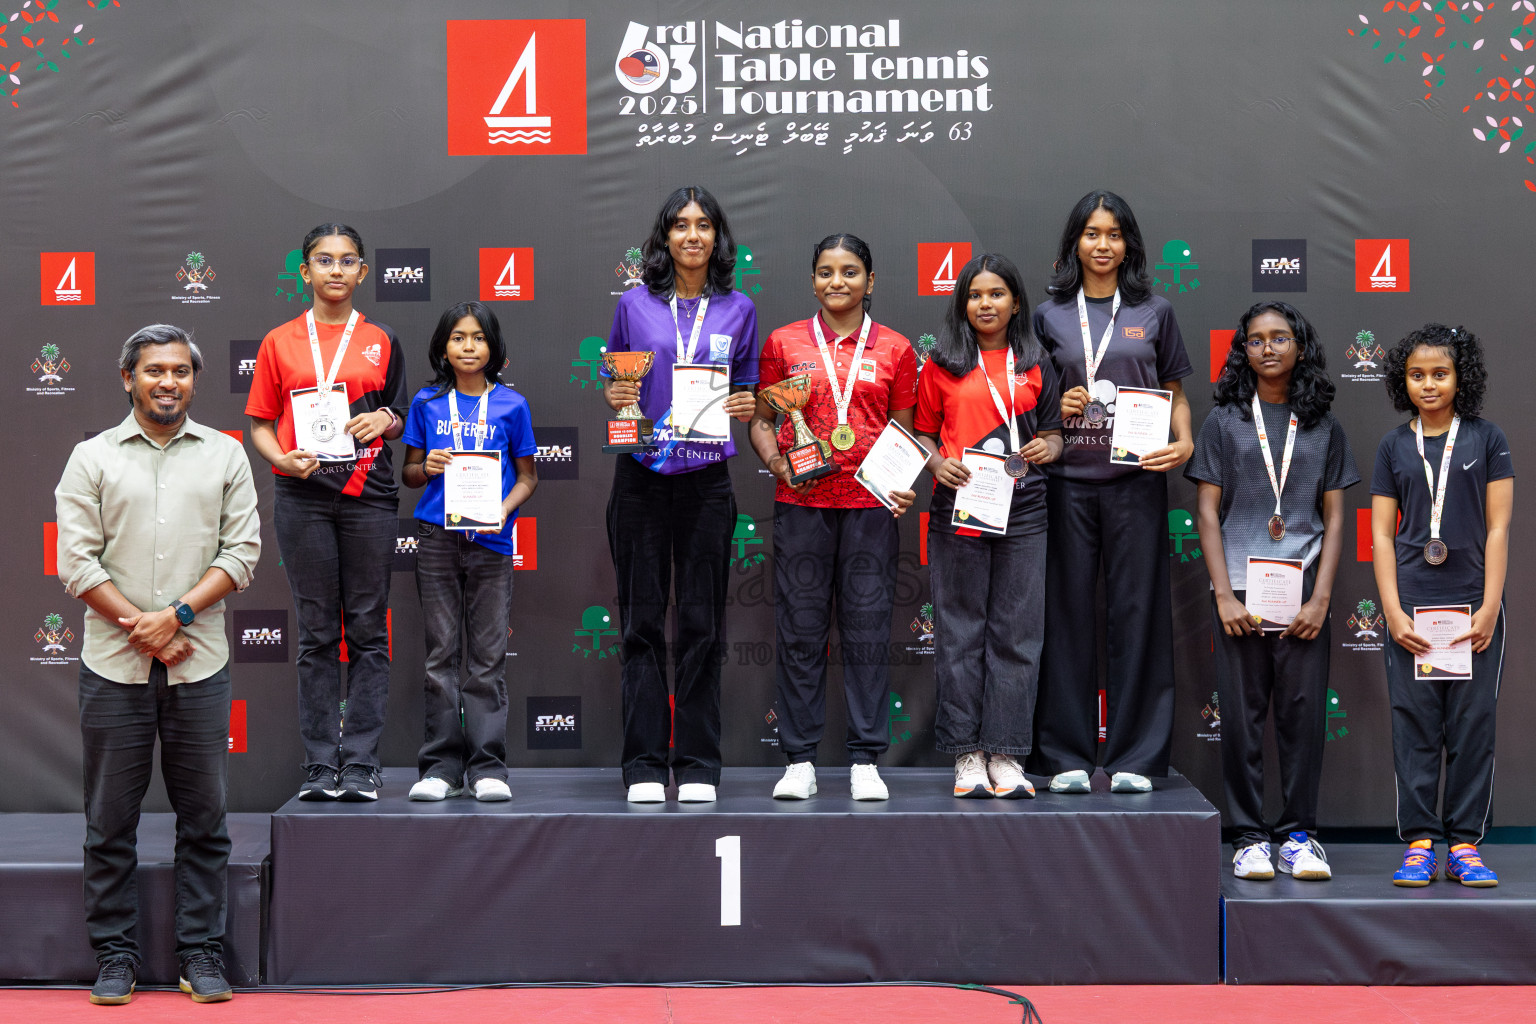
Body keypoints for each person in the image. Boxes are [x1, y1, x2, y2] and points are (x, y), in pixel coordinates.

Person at [55, 325, 260, 1004]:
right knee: (108, 821)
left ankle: (201, 954)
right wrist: (141, 630)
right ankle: (116, 956)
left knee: (205, 819)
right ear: (127, 378)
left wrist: (176, 618)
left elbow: (242, 554)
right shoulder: (91, 458)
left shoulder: (227, 456)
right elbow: (77, 563)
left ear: (193, 380)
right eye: (153, 371)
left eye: (179, 370)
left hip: (199, 666)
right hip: (113, 669)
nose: (167, 381)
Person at [1027, 189, 1194, 795]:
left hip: (1137, 483)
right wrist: (1057, 403)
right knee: (1065, 616)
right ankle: (1065, 754)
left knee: (1139, 616)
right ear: (1075, 241)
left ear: (1130, 244)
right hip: (1067, 484)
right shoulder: (1048, 316)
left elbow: (1173, 386)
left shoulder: (1156, 311)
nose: (1103, 244)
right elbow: (1029, 401)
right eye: (1092, 233)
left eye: (1114, 233)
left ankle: (1137, 757)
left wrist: (1185, 441)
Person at [1186, 302, 1358, 881]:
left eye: (1280, 338)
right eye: (1256, 340)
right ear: (1244, 351)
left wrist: (1321, 599)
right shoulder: (1224, 420)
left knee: (1302, 717)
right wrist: (1222, 595)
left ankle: (1299, 836)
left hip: (1303, 590)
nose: (1268, 348)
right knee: (1241, 716)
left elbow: (1335, 518)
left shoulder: (1323, 425)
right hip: (1238, 588)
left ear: (1300, 347)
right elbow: (1206, 512)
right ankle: (1250, 836)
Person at [603, 186, 760, 803]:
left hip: (706, 481)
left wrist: (749, 405)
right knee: (641, 622)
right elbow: (618, 382)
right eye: (679, 225)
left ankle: (697, 763)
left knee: (702, 622)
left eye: (703, 225)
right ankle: (643, 763)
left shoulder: (740, 307)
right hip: (643, 474)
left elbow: (747, 392)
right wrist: (615, 397)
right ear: (664, 237)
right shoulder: (633, 305)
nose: (692, 236)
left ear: (718, 237)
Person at [749, 234, 918, 802]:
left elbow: (905, 431)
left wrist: (900, 484)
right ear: (812, 280)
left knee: (869, 634)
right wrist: (775, 461)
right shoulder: (783, 343)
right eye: (825, 272)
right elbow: (762, 419)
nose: (837, 282)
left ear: (871, 282)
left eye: (850, 272)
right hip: (801, 506)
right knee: (800, 631)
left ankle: (866, 758)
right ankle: (799, 758)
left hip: (870, 508)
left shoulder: (895, 348)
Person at [246, 224, 407, 801]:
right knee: (317, 635)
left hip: (369, 496)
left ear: (363, 272)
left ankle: (361, 761)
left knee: (367, 631)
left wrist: (385, 421)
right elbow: (261, 424)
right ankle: (320, 763)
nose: (334, 271)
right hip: (303, 496)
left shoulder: (383, 338)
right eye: (323, 260)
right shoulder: (278, 341)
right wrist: (282, 462)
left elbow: (399, 415)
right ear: (305, 271)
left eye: (346, 261)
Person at [914, 254, 1063, 798]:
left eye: (997, 293)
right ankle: (966, 755)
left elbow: (1053, 434)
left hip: (1024, 508)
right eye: (975, 294)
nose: (985, 303)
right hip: (959, 505)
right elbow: (924, 432)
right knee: (959, 633)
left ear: (1016, 302)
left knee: (1017, 635)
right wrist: (934, 463)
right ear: (963, 303)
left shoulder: (1035, 361)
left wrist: (1048, 445)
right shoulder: (942, 364)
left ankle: (1005, 753)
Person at [1371, 324, 1511, 888]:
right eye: (1416, 375)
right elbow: (1382, 535)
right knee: (1415, 727)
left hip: (1474, 606)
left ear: (1461, 378)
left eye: (1440, 374)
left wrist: (1492, 605)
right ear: (1402, 380)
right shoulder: (1392, 445)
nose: (1428, 385)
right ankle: (1422, 843)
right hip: (1413, 607)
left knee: (1473, 726)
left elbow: (1499, 527)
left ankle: (1466, 845)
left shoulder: (1486, 438)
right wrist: (1392, 610)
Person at [400, 302, 538, 802]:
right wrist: (427, 466)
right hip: (438, 539)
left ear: (493, 348)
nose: (468, 346)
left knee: (487, 660)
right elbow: (409, 473)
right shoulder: (427, 403)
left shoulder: (512, 405)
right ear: (443, 347)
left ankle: (488, 768)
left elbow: (529, 477)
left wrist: (504, 508)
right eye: (458, 337)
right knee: (440, 656)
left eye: (478, 338)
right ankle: (440, 768)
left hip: (493, 542)